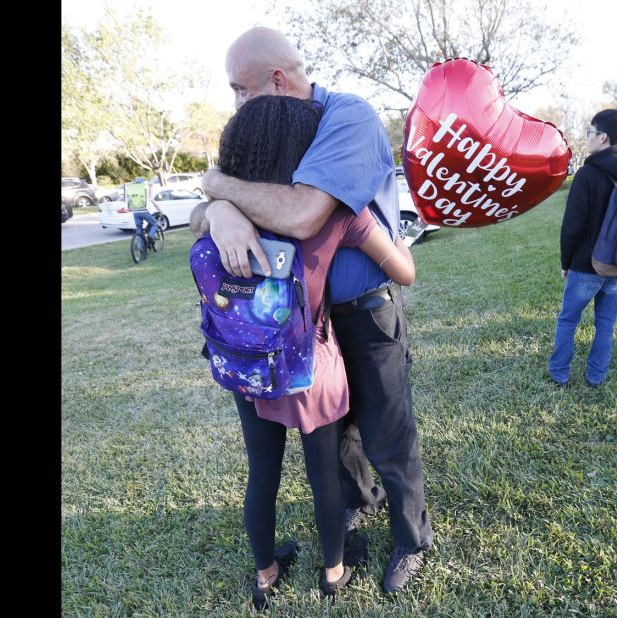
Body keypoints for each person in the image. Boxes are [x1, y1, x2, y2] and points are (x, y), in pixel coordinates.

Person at [195, 27, 434, 594]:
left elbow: (301, 215)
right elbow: (242, 207)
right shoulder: (276, 131)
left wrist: (218, 188)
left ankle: (410, 537)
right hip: (309, 329)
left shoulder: (346, 117)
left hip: (363, 311)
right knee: (339, 437)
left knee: (387, 433)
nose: (236, 105)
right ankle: (355, 505)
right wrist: (219, 206)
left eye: (240, 90)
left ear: (277, 82)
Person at [548, 109, 617, 387]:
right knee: (606, 323)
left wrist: (565, 261)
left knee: (568, 320)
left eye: (590, 133)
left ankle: (560, 373)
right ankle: (596, 375)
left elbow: (572, 225)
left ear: (603, 137)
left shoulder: (587, 174)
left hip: (586, 264)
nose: (588, 138)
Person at [127, 178, 160, 247]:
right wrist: (161, 211)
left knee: (139, 229)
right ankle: (150, 236)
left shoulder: (133, 191)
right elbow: (152, 200)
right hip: (144, 211)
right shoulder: (145, 189)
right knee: (154, 223)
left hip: (135, 212)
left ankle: (141, 247)